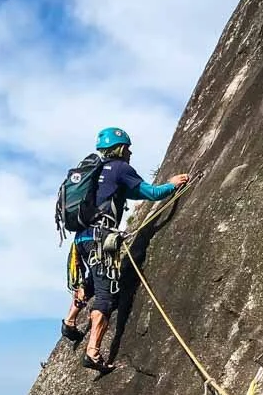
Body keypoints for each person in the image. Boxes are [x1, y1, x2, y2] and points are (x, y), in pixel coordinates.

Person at [61, 127, 190, 371]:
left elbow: (129, 193)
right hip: (100, 238)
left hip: (82, 239)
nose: (130, 153)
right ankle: (93, 353)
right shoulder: (120, 169)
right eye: (127, 148)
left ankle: (69, 322)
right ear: (120, 149)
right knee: (106, 295)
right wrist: (172, 184)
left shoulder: (97, 172)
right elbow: (151, 193)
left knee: (91, 280)